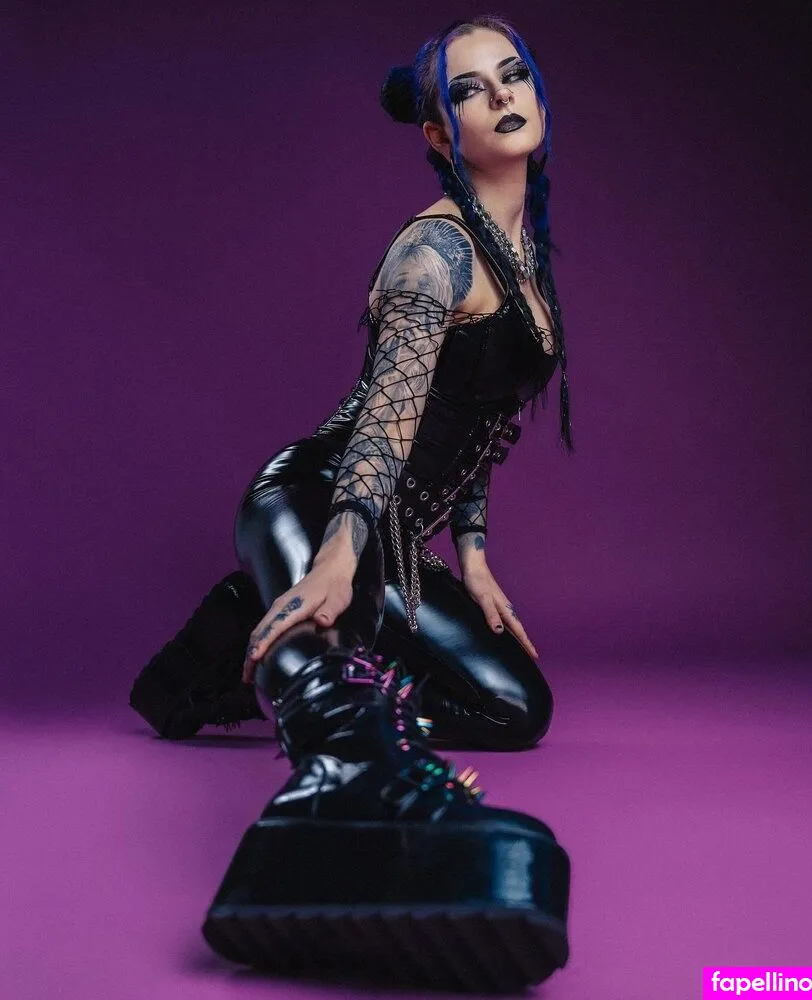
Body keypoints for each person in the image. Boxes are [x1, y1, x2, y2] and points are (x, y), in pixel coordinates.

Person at [131, 15, 574, 991]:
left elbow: (483, 413)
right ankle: (335, 793)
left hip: (397, 543)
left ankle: (250, 627)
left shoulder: (523, 257)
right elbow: (389, 417)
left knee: (515, 708)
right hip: (318, 499)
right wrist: (338, 553)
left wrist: (475, 554)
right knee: (343, 688)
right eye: (469, 89)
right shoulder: (434, 253)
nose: (501, 95)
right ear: (440, 134)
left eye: (512, 75)